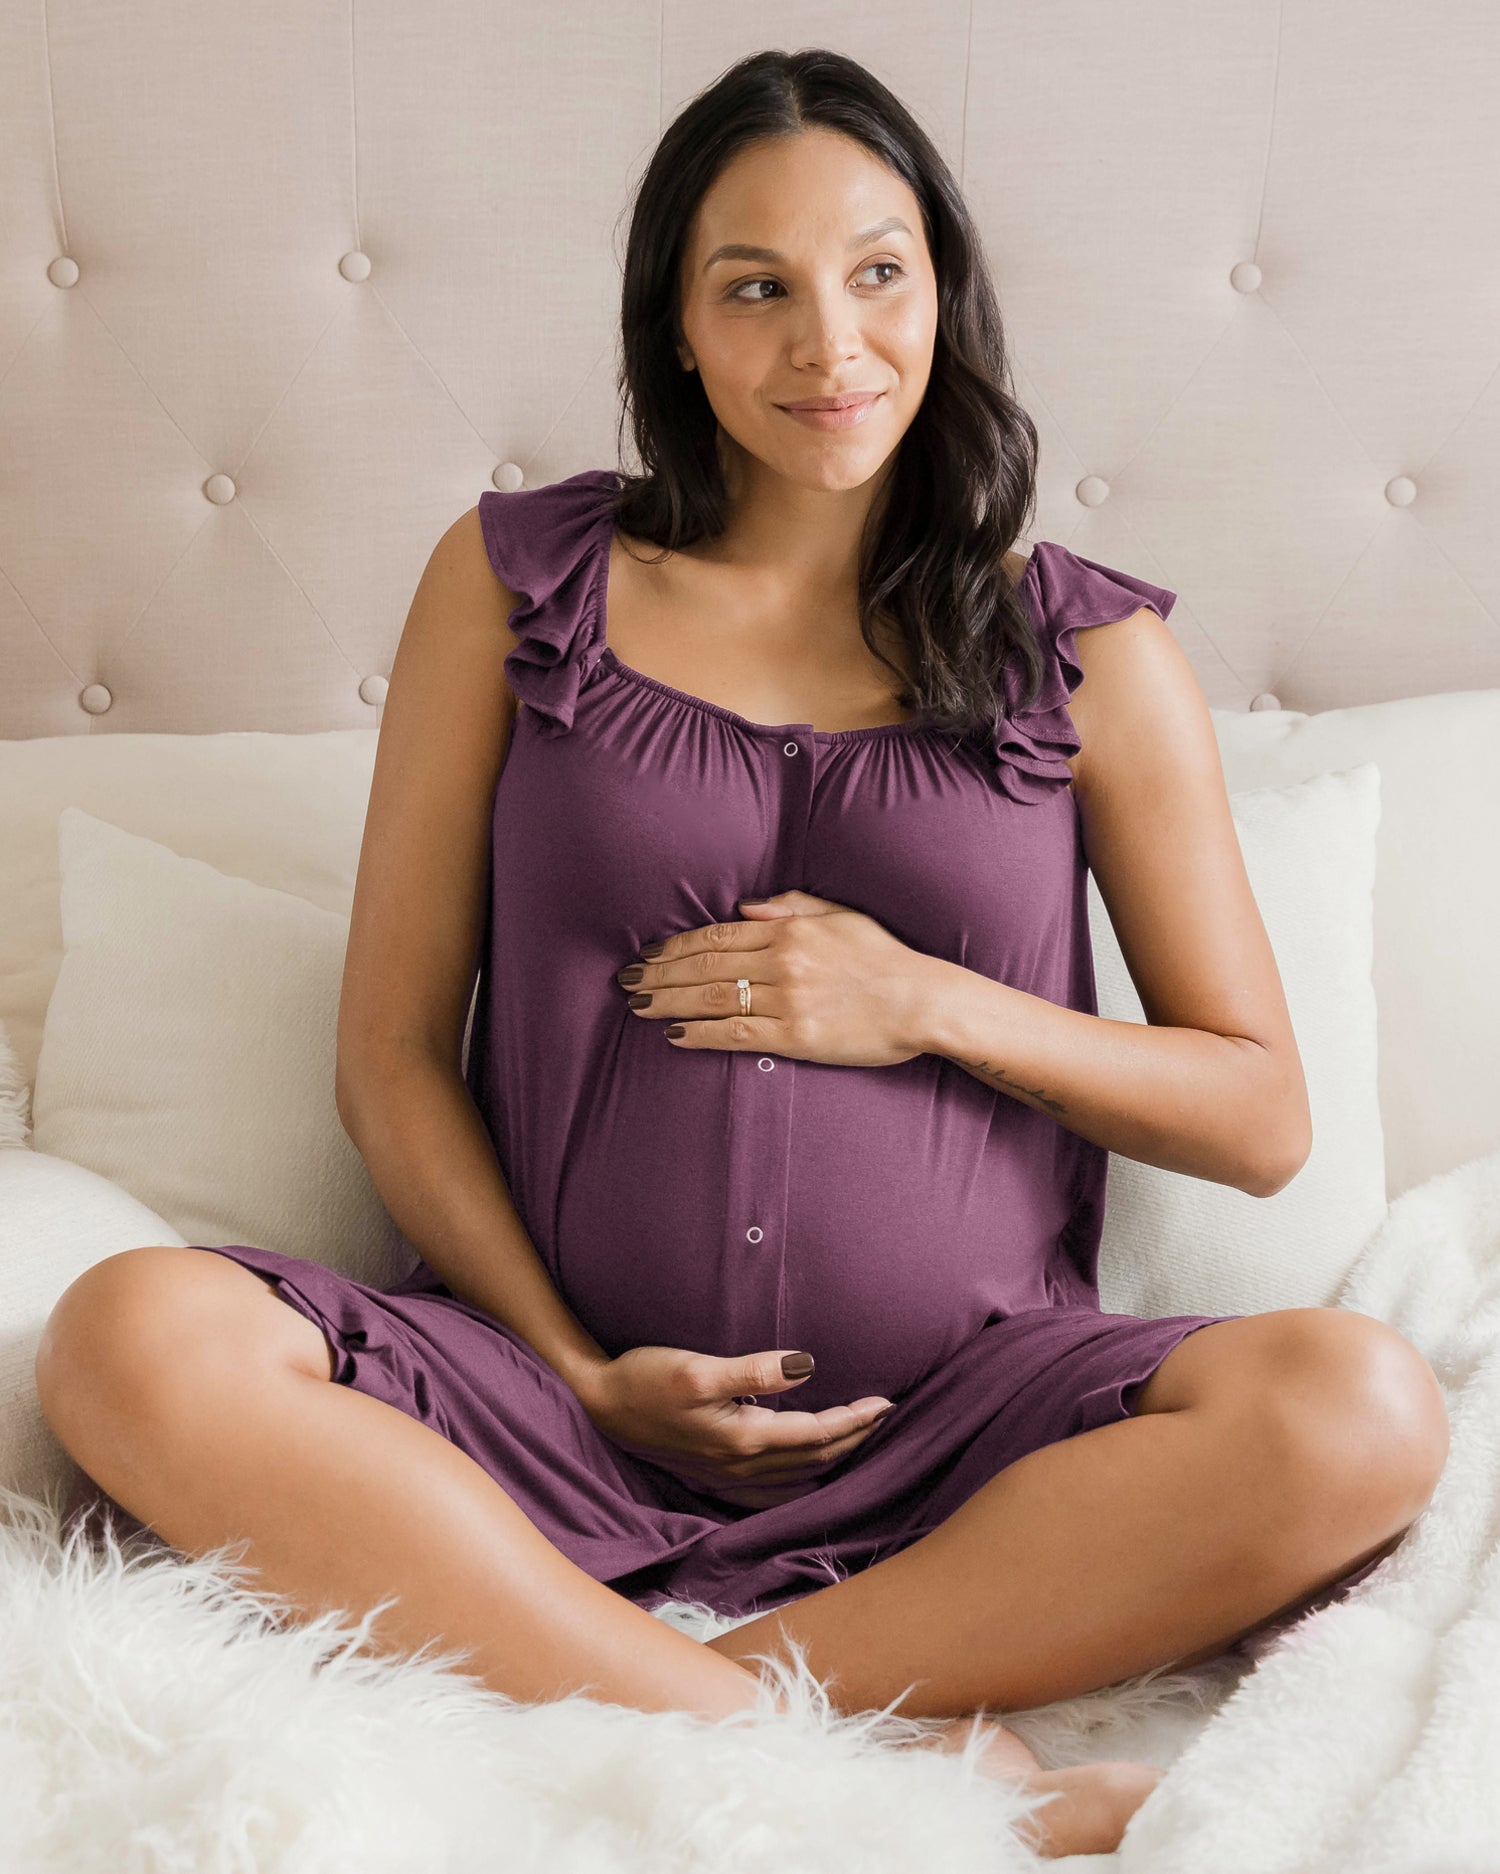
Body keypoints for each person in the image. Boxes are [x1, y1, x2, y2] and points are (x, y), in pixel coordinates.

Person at [36, 48, 1447, 1858]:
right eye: (755, 288)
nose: (827, 344)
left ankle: (636, 1678)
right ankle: (853, 1743)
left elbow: (1259, 1115)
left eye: (876, 273)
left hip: (965, 1444)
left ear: (945, 289)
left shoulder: (1085, 658)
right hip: (535, 1405)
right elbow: (389, 1048)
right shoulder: (511, 587)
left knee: (1362, 1408)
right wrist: (568, 1362)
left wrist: (924, 999)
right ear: (678, 328)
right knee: (126, 1334)